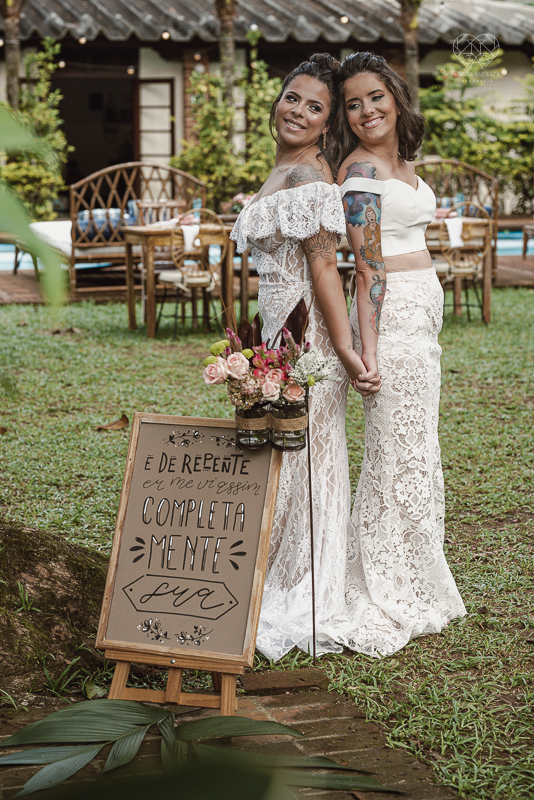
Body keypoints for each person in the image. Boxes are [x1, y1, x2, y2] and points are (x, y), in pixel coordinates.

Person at [231, 54, 379, 661]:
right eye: (293, 98)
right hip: (276, 329)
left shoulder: (311, 177)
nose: (298, 111)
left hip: (308, 335)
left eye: (315, 107)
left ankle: (306, 578)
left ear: (326, 125)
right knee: (286, 450)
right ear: (278, 100)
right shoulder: (282, 167)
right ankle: (272, 565)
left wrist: (343, 349)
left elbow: (324, 265)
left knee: (309, 452)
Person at [331, 51, 466, 655]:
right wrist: (370, 352)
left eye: (374, 97)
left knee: (418, 447)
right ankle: (384, 583)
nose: (366, 111)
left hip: (423, 311)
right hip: (391, 319)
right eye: (353, 104)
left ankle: (416, 571)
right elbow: (366, 269)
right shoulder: (358, 172)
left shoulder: (403, 162)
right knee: (394, 450)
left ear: (395, 95)